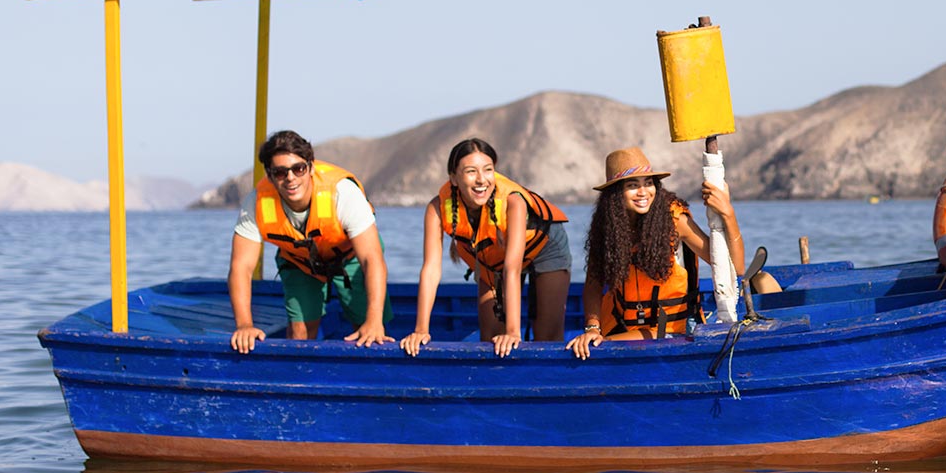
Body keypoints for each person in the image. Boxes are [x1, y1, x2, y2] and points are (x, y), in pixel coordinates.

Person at [567, 147, 745, 359]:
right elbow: (593, 284)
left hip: (672, 330)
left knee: (600, 348)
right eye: (633, 185)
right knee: (590, 347)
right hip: (621, 326)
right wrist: (592, 328)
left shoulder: (675, 220)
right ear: (615, 194)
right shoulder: (607, 228)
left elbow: (735, 267)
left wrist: (728, 214)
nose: (643, 192)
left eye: (648, 183)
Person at [402, 138, 573, 358]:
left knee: (547, 338)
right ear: (453, 178)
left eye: (488, 170)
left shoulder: (513, 202)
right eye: (471, 171)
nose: (481, 179)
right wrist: (420, 330)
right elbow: (431, 270)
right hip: (493, 258)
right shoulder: (437, 208)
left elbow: (512, 268)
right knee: (491, 336)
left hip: (544, 246)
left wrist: (513, 333)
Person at [227, 130, 393, 354]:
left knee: (371, 330)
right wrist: (244, 326)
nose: (291, 178)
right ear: (269, 175)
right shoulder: (255, 203)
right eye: (280, 172)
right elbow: (241, 267)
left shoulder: (343, 193)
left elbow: (371, 259)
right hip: (300, 262)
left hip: (350, 256)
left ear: (311, 168)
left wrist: (373, 321)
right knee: (299, 334)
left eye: (298, 169)